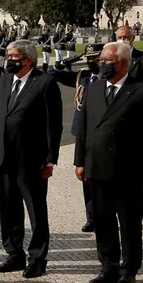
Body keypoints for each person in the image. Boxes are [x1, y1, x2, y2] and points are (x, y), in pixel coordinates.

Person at [73, 42, 143, 283]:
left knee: (129, 222)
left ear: (123, 63)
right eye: (101, 60)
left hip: (128, 168)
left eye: (107, 61)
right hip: (97, 165)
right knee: (102, 219)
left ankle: (128, 270)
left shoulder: (141, 90)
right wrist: (80, 161)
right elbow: (83, 130)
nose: (102, 64)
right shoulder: (93, 88)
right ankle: (108, 266)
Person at [0, 40, 63, 279]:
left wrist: (50, 160)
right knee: (8, 207)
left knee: (35, 210)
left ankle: (38, 258)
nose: (9, 60)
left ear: (28, 59)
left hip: (32, 160)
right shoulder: (3, 81)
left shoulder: (45, 83)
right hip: (5, 158)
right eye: (8, 55)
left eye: (14, 56)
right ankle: (14, 254)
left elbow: (54, 125)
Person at [48, 44, 104, 233]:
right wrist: (62, 63)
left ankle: (106, 214)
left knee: (103, 178)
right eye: (88, 59)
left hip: (102, 133)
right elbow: (52, 75)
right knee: (86, 177)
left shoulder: (109, 77)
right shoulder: (83, 76)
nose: (91, 62)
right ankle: (92, 218)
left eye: (94, 58)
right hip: (83, 132)